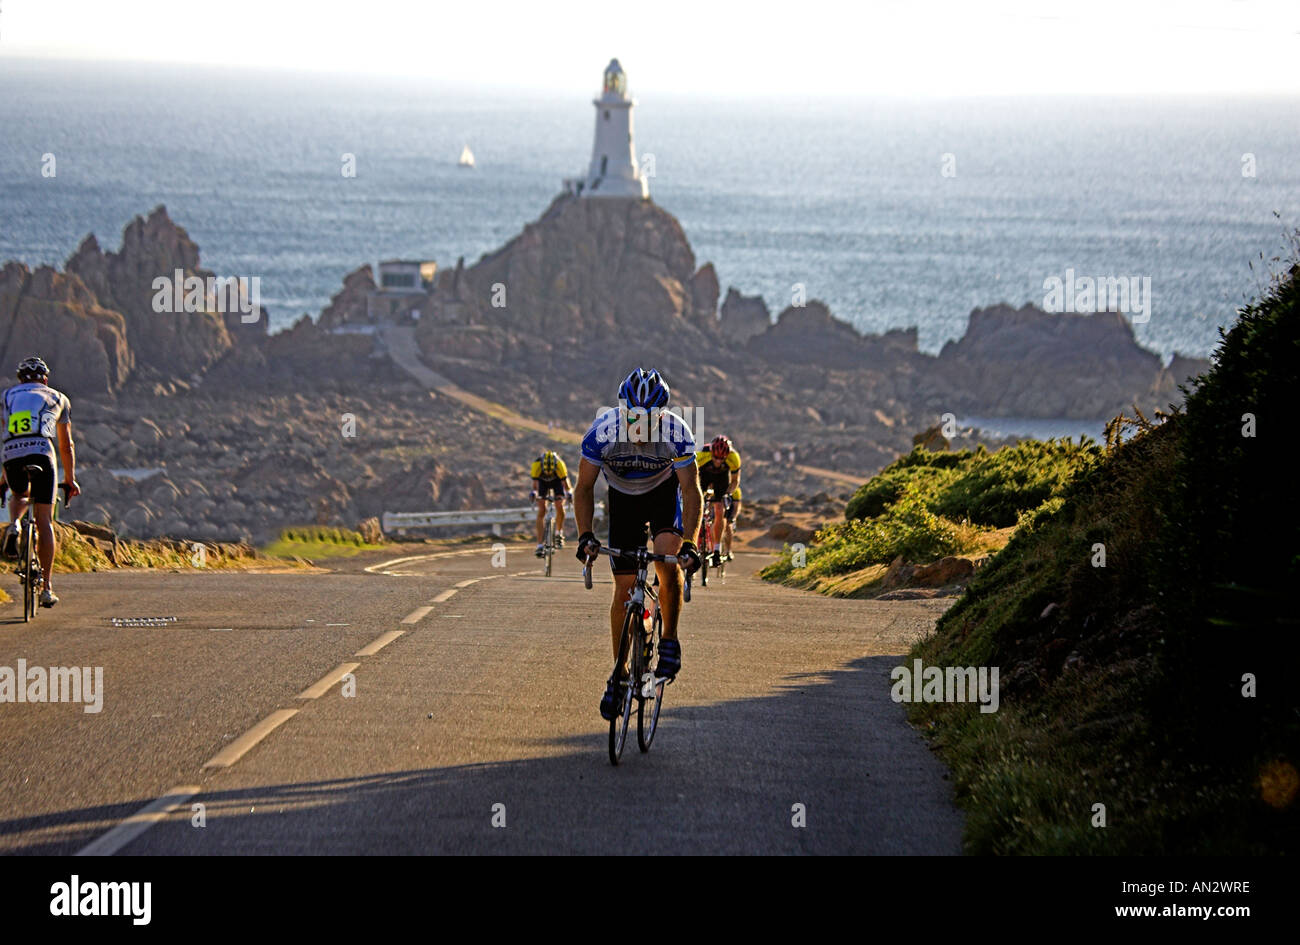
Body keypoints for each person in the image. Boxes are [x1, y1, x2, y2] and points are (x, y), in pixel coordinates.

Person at [573, 368, 702, 720]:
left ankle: (670, 640)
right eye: (633, 417)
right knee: (624, 589)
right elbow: (583, 488)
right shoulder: (603, 432)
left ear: (662, 415)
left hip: (662, 496)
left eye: (649, 419)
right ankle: (620, 674)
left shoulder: (678, 432)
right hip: (624, 500)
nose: (640, 426)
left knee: (667, 560)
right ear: (622, 411)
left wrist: (690, 542)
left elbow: (691, 492)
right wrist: (585, 535)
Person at [0, 357, 81, 607]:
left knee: (20, 494)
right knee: (44, 520)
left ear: (20, 379)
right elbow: (66, 445)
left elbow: (7, 433)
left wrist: (3, 477)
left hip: (11, 454)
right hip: (42, 454)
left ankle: (14, 524)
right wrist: (70, 479)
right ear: (45, 379)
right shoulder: (58, 397)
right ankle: (46, 587)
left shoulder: (6, 396)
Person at [696, 435, 743, 566]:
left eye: (721, 458)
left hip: (721, 479)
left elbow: (735, 481)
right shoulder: (701, 455)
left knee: (719, 508)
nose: (718, 461)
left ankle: (716, 550)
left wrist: (728, 494)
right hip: (702, 475)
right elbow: (690, 476)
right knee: (695, 505)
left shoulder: (733, 458)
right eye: (715, 457)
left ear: (726, 456)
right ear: (711, 452)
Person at [529, 448, 572, 556]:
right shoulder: (537, 465)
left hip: (557, 482)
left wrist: (569, 494)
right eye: (546, 473)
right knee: (542, 510)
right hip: (542, 483)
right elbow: (535, 486)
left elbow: (567, 486)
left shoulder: (560, 465)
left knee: (559, 505)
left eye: (550, 473)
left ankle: (559, 532)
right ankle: (539, 545)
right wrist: (534, 493)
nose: (548, 474)